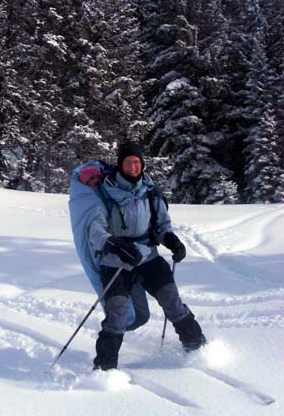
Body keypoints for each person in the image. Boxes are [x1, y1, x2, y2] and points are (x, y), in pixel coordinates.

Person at [87, 141, 206, 371]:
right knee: (117, 313)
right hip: (115, 261)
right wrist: (115, 245)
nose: (134, 167)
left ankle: (199, 349)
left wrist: (171, 240)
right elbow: (96, 231)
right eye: (129, 162)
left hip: (148, 257)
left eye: (137, 162)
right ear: (120, 165)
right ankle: (104, 369)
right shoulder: (104, 192)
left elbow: (162, 225)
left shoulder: (151, 190)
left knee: (173, 302)